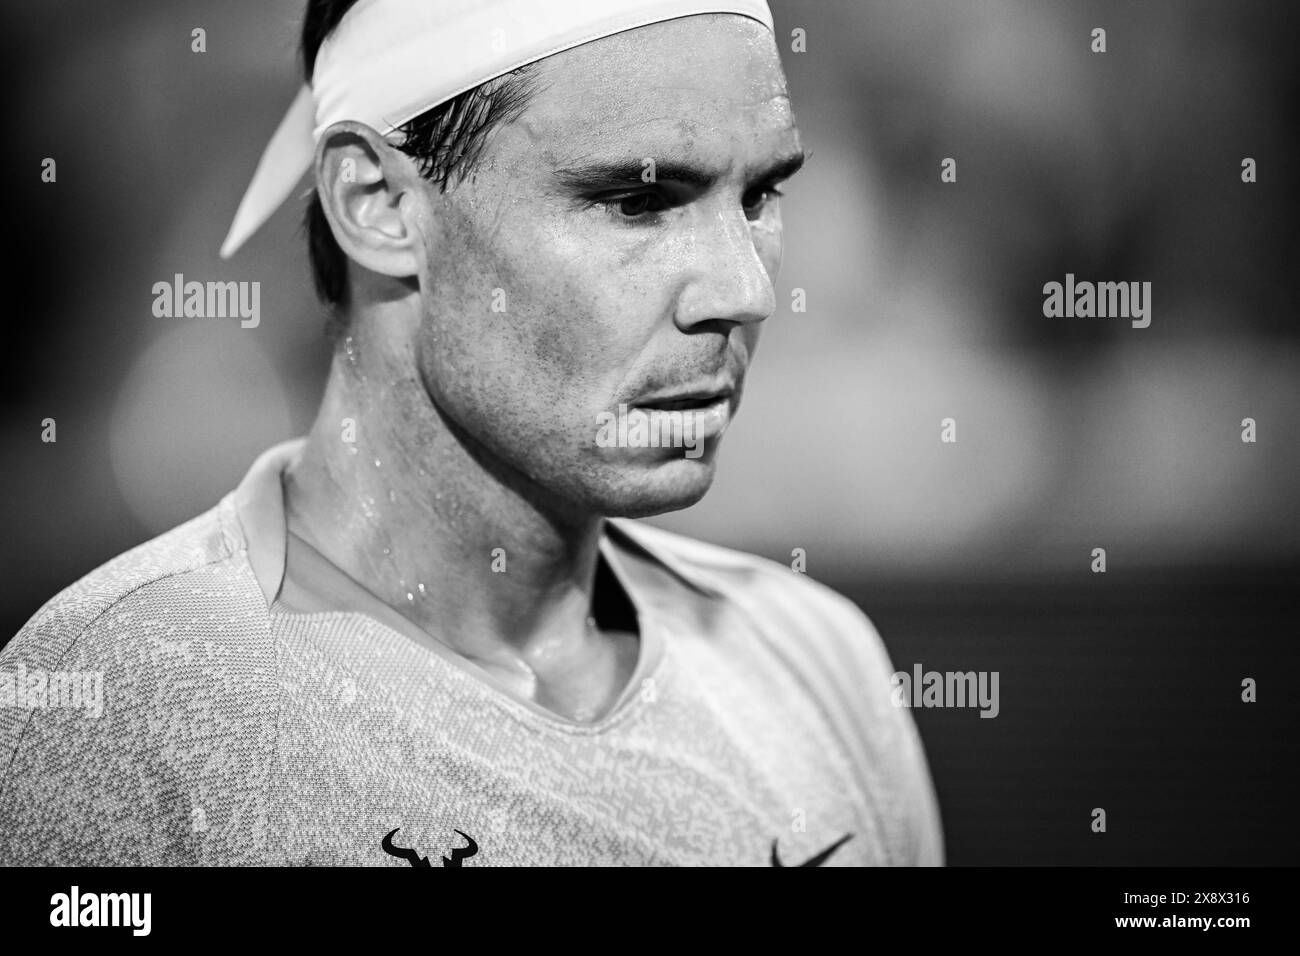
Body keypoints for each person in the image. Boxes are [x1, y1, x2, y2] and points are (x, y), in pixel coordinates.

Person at [0, 0, 943, 866]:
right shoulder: (116, 704)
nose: (746, 293)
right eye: (638, 203)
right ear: (376, 203)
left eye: (760, 196)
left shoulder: (822, 665)